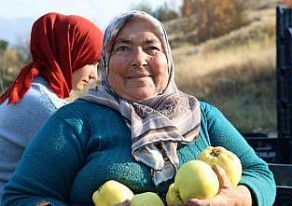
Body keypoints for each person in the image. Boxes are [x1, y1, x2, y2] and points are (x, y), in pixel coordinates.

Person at [1, 10, 276, 205]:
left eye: (151, 48)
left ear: (168, 59)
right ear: (106, 62)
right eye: (123, 48)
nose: (138, 60)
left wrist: (239, 198)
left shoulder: (203, 116)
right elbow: (21, 197)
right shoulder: (75, 121)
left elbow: (260, 174)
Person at [0, 12, 103, 201]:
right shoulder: (45, 106)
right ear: (70, 55)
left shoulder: (32, 91)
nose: (94, 75)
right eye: (90, 62)